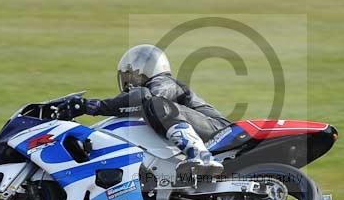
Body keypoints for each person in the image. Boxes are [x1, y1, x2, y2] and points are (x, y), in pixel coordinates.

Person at [67, 44, 230, 175]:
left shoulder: (164, 82)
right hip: (210, 131)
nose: (128, 83)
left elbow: (144, 97)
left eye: (128, 75)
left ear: (138, 71)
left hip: (219, 131)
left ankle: (201, 155)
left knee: (156, 104)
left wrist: (95, 107)